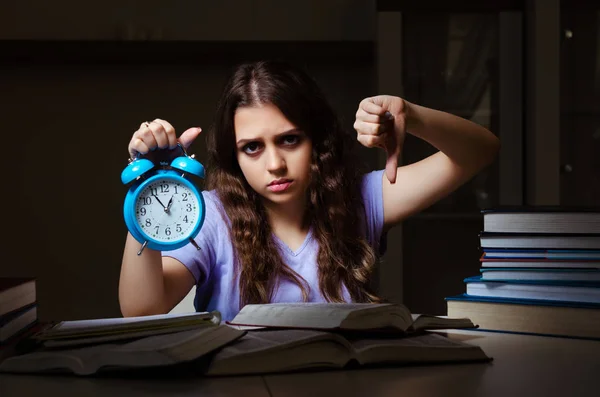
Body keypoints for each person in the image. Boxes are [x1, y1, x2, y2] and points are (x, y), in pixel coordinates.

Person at [119, 60, 500, 321]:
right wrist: (150, 188)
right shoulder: (211, 216)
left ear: (315, 141)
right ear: (234, 156)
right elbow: (142, 310)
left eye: (289, 140)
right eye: (252, 147)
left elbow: (480, 151)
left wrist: (412, 115)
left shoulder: (361, 199)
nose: (275, 165)